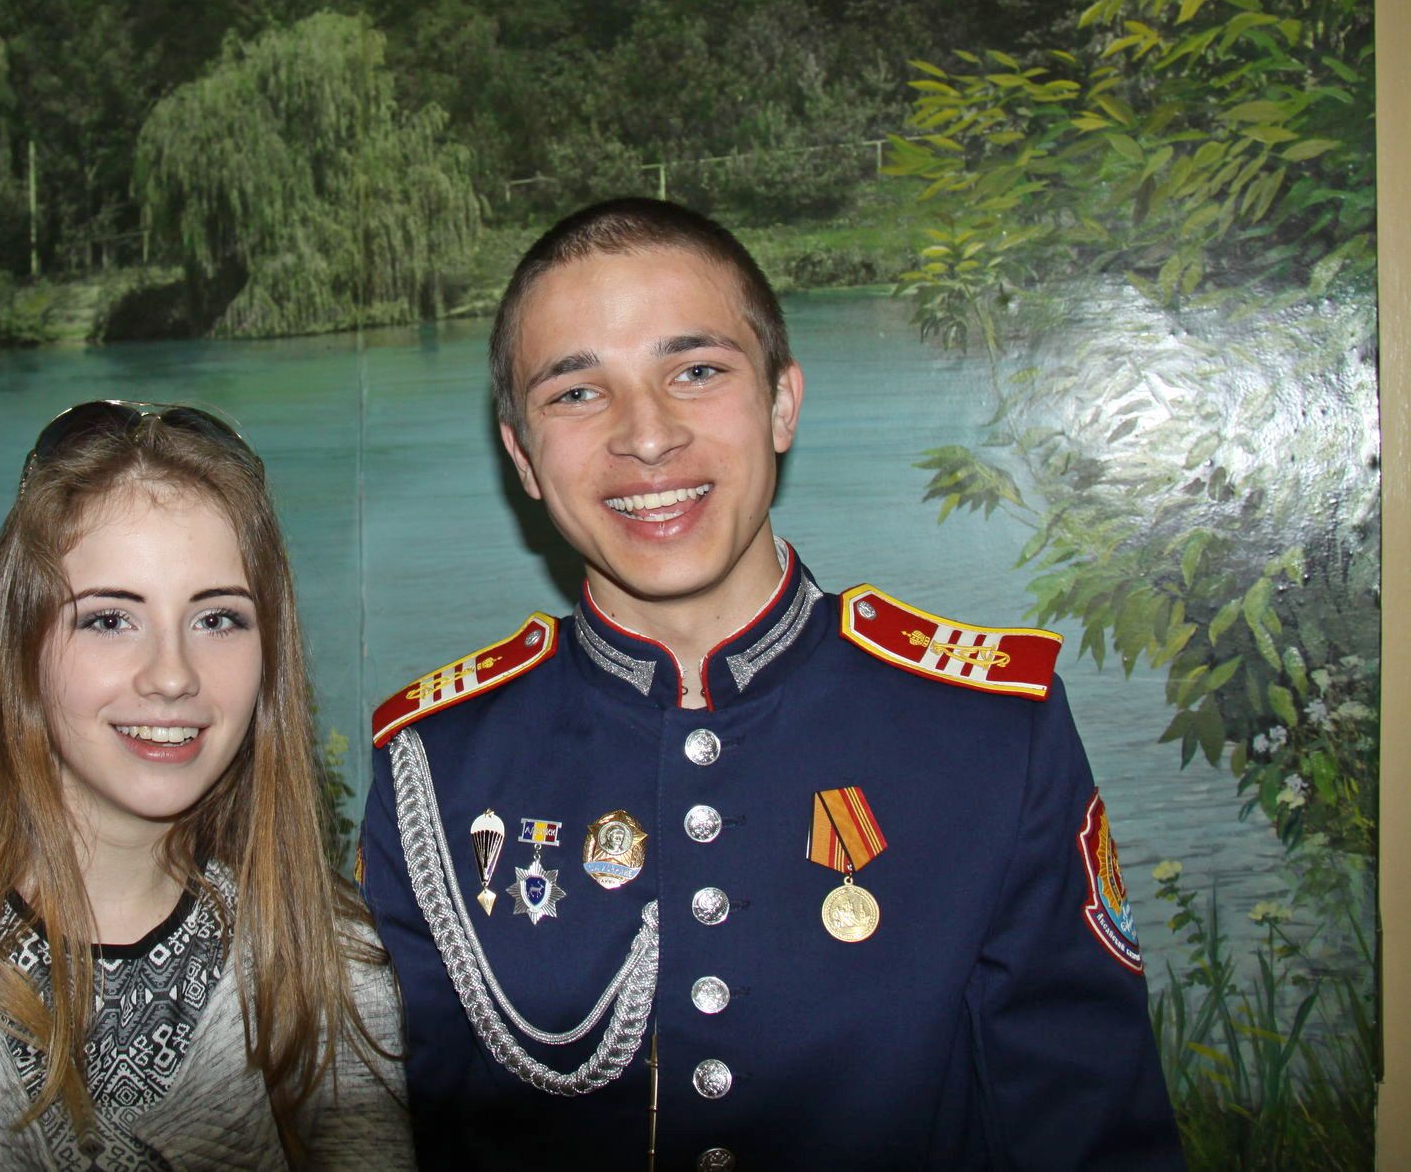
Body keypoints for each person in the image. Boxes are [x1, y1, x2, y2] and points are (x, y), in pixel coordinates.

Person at [359, 200, 1184, 1170]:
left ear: (781, 403)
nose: (646, 436)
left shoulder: (986, 730)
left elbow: (1091, 1134)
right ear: (522, 458)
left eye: (696, 371)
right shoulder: (438, 765)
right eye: (576, 392)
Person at [0, 401, 411, 1170]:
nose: (172, 675)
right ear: (22, 646)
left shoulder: (331, 961)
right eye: (110, 619)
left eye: (217, 619)